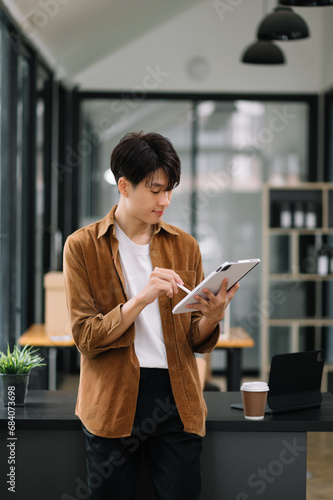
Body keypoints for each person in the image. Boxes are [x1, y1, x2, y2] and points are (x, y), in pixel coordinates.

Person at [63, 131, 239, 500]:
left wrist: (213, 315)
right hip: (111, 399)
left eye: (170, 189)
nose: (166, 200)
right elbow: (85, 338)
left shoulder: (185, 246)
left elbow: (196, 338)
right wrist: (141, 298)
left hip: (176, 397)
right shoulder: (82, 246)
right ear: (124, 186)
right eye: (156, 189)